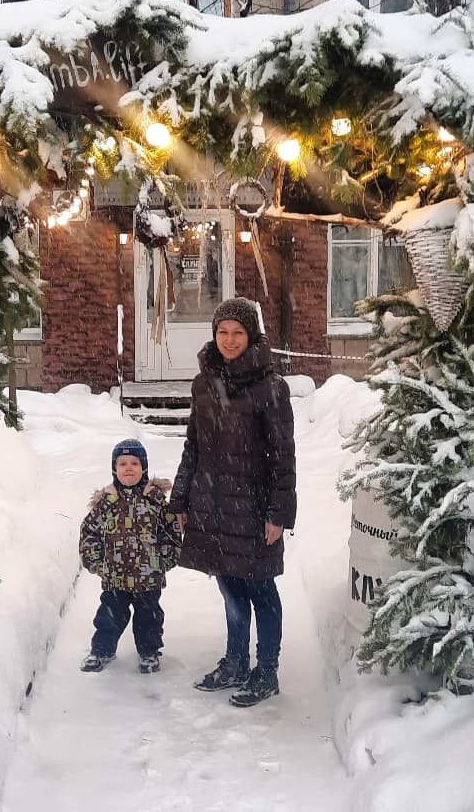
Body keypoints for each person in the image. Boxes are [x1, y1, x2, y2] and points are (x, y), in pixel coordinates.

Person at [169, 297, 296, 707]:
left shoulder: (271, 388)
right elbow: (193, 446)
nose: (228, 340)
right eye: (222, 331)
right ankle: (237, 661)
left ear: (251, 335)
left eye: (237, 332)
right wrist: (181, 499)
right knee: (229, 585)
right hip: (212, 502)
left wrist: (279, 513)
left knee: (261, 589)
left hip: (255, 507)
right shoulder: (204, 384)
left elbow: (283, 455)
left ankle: (267, 670)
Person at [79, 438, 182, 674]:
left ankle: (149, 652)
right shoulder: (106, 503)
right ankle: (102, 650)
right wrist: (96, 562)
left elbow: (172, 534)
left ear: (144, 468)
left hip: (148, 577)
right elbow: (89, 533)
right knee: (109, 616)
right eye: (122, 463)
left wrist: (161, 560)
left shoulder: (155, 502)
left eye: (134, 463)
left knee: (149, 617)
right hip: (115, 576)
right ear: (114, 469)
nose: (128, 468)